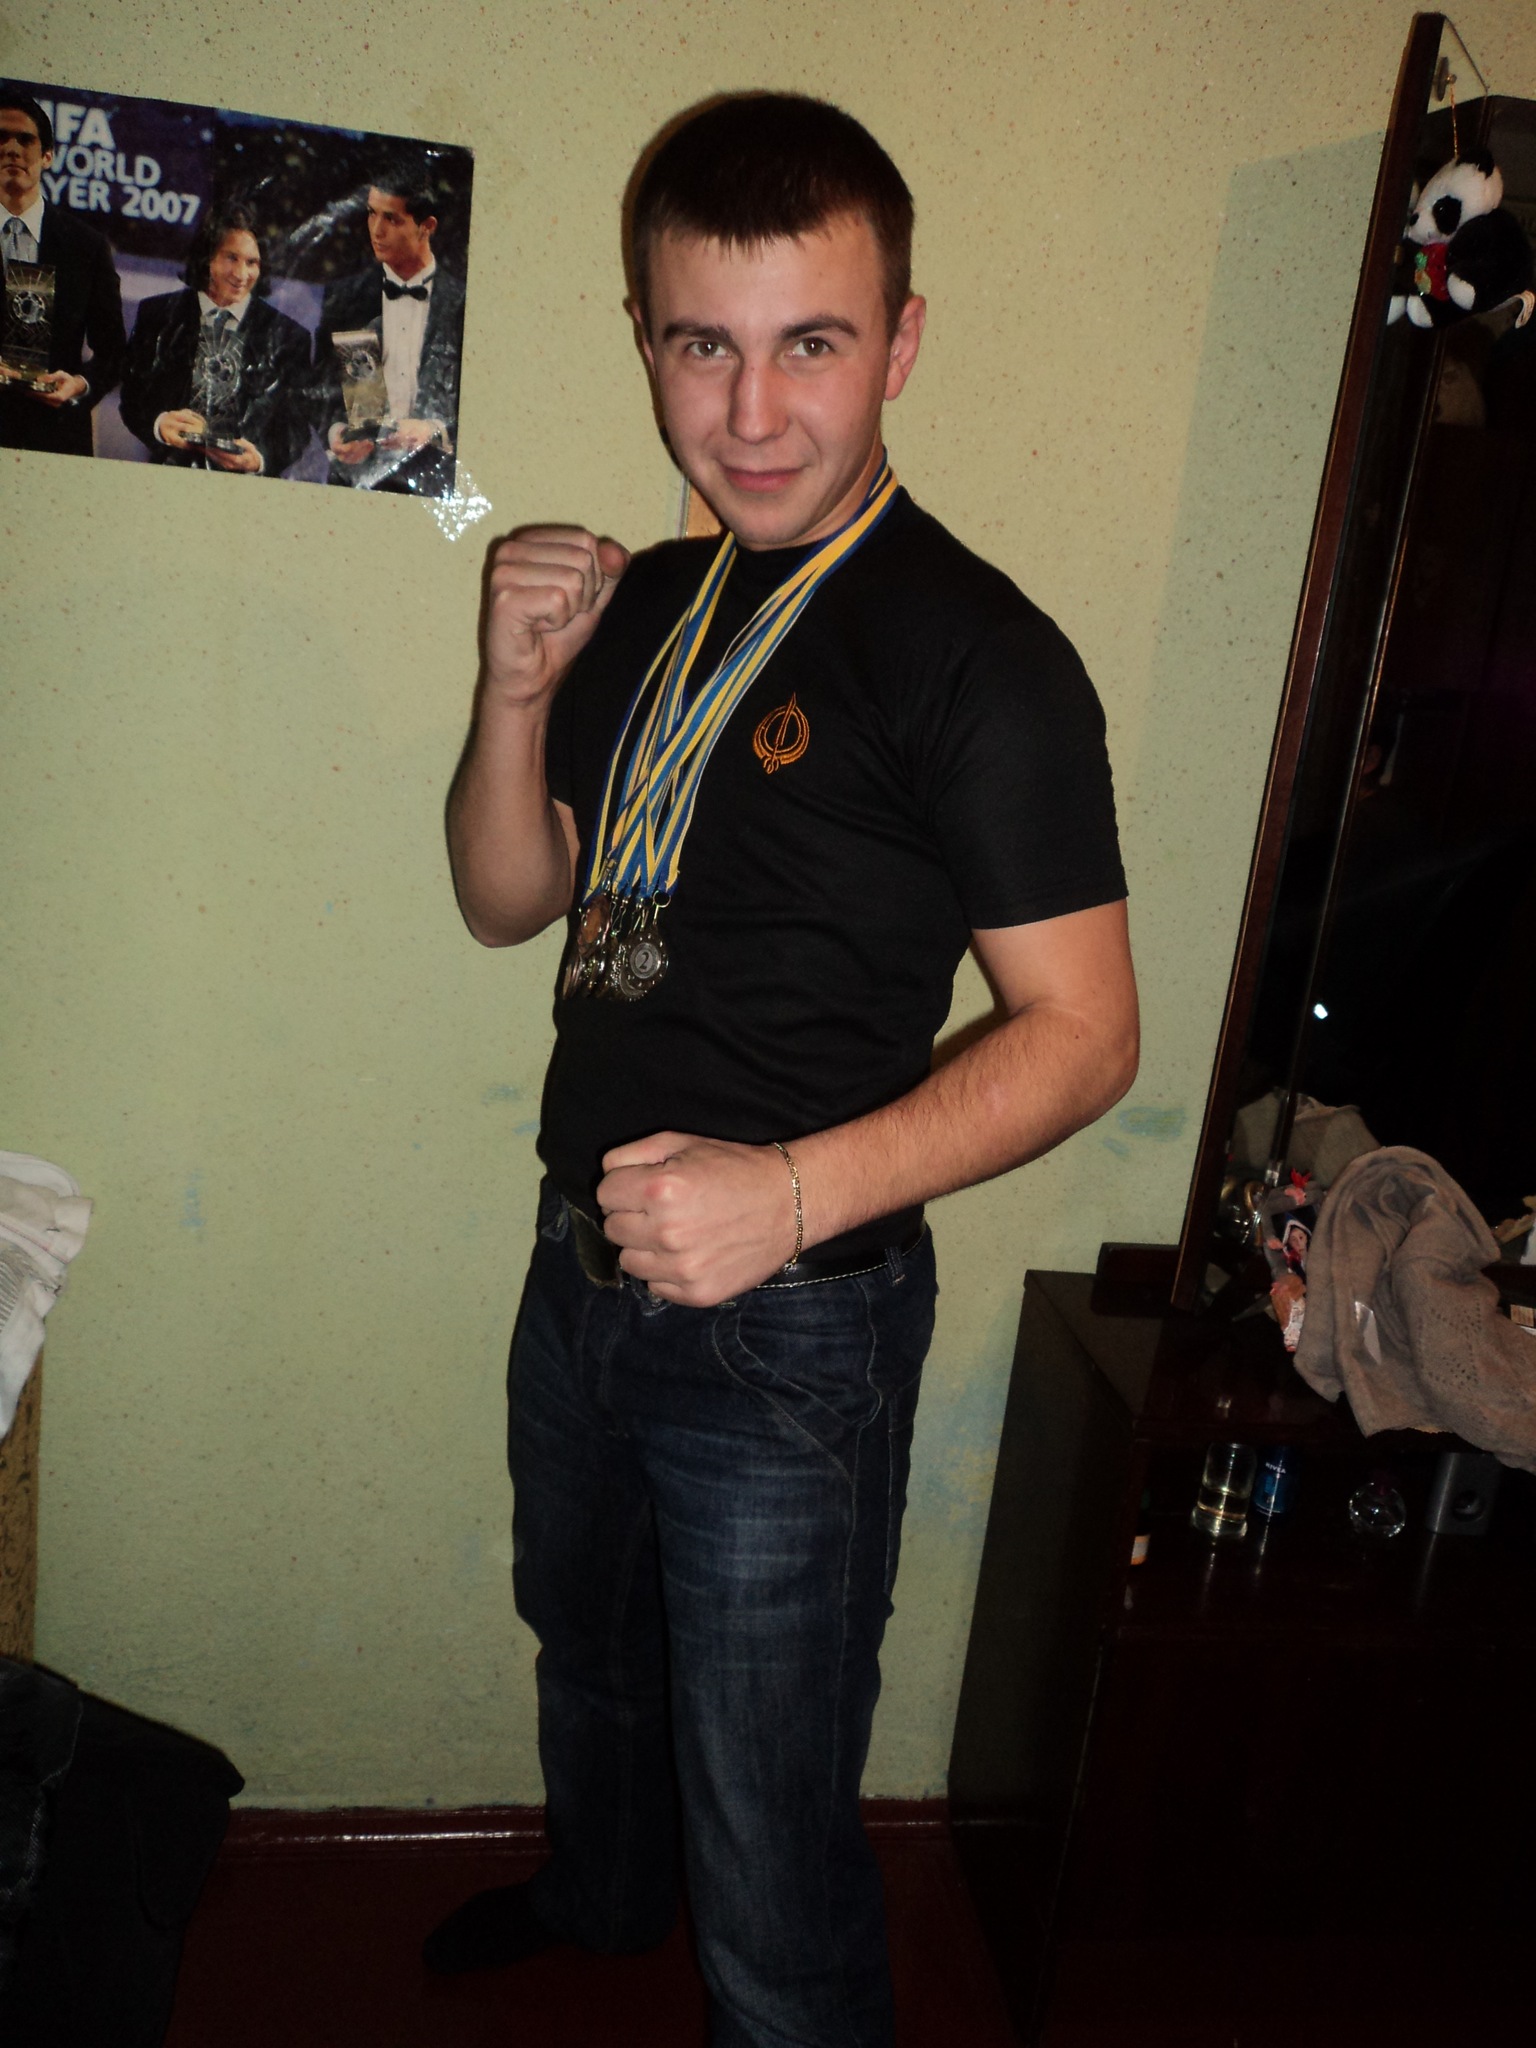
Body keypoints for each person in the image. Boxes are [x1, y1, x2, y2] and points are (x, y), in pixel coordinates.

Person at [432, 93, 1138, 2048]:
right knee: (589, 1655)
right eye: (703, 345)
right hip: (580, 1269)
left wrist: (793, 1194)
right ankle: (598, 1899)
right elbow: (512, 897)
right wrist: (512, 694)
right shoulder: (658, 602)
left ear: (900, 341)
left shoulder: (982, 658)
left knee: (770, 1826)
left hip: (791, 1327)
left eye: (808, 343)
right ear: (646, 335)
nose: (750, 414)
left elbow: (1089, 1035)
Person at [118, 202, 312, 477]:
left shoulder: (290, 336)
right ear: (207, 256)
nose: (241, 275)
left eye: (252, 262)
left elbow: (296, 428)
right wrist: (159, 425)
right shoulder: (157, 314)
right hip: (168, 478)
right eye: (231, 258)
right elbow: (132, 398)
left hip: (245, 489)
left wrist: (258, 460)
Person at [313, 160, 465, 497]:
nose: (376, 230)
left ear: (427, 227)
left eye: (391, 219)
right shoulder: (344, 298)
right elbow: (318, 393)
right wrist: (336, 434)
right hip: (353, 487)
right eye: (372, 214)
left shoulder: (464, 304)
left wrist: (434, 431)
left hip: (437, 489)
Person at [0, 87, 125, 458]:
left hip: (55, 440)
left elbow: (114, 353)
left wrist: (80, 385)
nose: (11, 149)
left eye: (25, 139)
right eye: (1, 138)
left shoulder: (88, 246)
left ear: (48, 156)